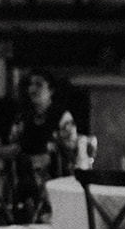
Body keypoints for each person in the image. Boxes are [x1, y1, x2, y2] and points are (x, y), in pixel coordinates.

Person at [8, 67, 78, 220]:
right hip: (25, 175)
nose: (33, 89)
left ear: (51, 90)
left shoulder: (62, 117)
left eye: (39, 85)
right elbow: (14, 144)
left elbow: (71, 149)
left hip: (53, 175)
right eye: (31, 85)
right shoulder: (24, 118)